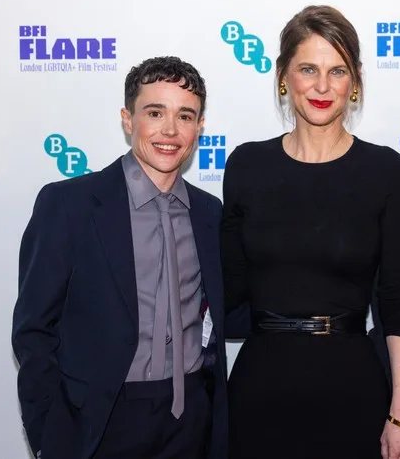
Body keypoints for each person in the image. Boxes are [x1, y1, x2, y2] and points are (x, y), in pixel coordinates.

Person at [12, 56, 248, 459]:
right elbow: (34, 330)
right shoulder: (71, 205)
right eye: (155, 112)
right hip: (100, 422)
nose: (170, 130)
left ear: (199, 128)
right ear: (127, 119)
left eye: (185, 116)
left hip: (191, 419)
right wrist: (51, 433)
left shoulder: (210, 213)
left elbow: (225, 310)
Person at [220, 5, 400, 459]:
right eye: (309, 69)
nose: (323, 86)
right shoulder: (247, 167)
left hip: (353, 387)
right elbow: (226, 288)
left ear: (355, 81)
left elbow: (398, 299)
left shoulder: (385, 170)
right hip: (259, 388)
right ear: (284, 76)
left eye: (338, 71)